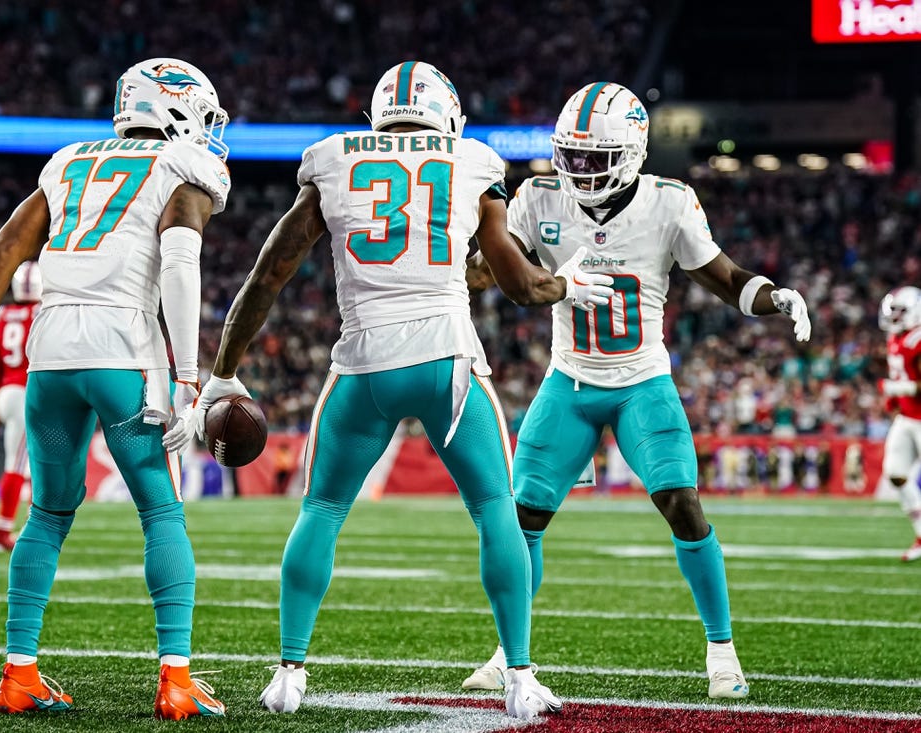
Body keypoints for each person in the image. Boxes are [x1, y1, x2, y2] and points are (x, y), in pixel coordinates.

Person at [194, 61, 611, 720]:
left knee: (322, 510)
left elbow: (270, 271)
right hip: (447, 360)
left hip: (363, 361)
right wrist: (565, 285)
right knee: (495, 510)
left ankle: (289, 672)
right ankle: (521, 676)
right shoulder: (472, 159)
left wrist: (221, 371)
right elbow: (518, 282)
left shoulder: (333, 155)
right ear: (447, 114)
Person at [462, 81, 813, 700]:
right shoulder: (538, 196)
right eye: (569, 156)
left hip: (641, 381)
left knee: (682, 501)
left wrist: (773, 295)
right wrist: (461, 259)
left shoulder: (668, 202)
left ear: (630, 154)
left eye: (591, 159)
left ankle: (722, 649)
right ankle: (506, 652)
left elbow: (725, 278)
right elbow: (492, 271)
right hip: (567, 380)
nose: (576, 170)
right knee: (522, 522)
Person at [0, 57, 232, 719]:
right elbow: (180, 262)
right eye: (202, 116)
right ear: (174, 109)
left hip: (50, 349)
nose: (208, 131)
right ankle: (175, 679)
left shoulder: (68, 159)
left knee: (48, 513)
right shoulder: (183, 168)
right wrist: (186, 377)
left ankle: (19, 673)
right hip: (124, 346)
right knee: (160, 510)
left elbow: (6, 246)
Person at [0, 260, 42, 552]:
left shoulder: (3, 314)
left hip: (6, 392)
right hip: (28, 393)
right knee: (18, 465)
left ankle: (29, 523)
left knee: (26, 464)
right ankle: (1, 532)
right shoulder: (43, 312)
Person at [876, 285, 921, 562]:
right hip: (907, 419)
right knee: (895, 472)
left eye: (900, 312)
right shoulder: (897, 337)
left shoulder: (918, 339)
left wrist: (896, 390)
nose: (894, 318)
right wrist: (894, 401)